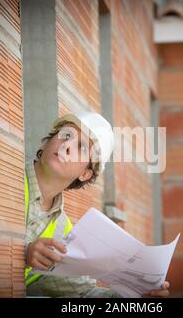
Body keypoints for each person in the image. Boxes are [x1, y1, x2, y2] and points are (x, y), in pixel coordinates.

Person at [24, 111, 170, 297]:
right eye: (65, 135)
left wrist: (139, 295)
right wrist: (23, 253)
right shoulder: (7, 171)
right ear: (47, 142)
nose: (66, 146)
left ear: (85, 174)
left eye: (82, 148)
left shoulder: (62, 229)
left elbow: (81, 293)